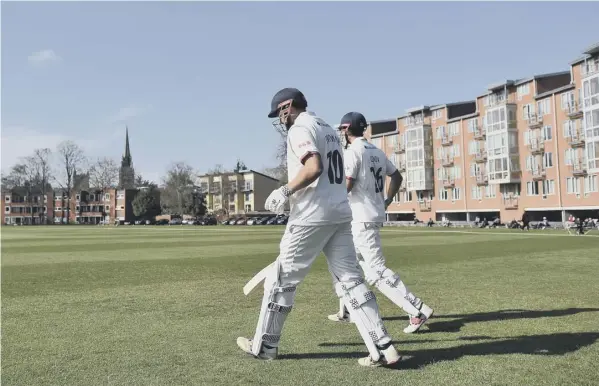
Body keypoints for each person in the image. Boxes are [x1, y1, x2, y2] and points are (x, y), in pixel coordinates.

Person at [236, 89, 400, 367]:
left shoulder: (299, 128)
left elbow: (313, 167)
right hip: (340, 213)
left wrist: (284, 191)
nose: (279, 118)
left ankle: (264, 346)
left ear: (287, 106)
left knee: (280, 280)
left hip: (310, 215)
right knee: (352, 280)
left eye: (279, 112)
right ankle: (384, 347)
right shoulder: (326, 126)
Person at [327, 112, 433, 334]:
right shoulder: (376, 150)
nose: (341, 134)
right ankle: (347, 309)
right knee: (347, 263)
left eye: (342, 129)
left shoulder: (353, 152)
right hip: (368, 215)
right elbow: (397, 177)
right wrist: (387, 200)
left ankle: (417, 310)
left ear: (347, 129)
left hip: (361, 218)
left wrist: (330, 204)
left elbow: (347, 183)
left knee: (375, 271)